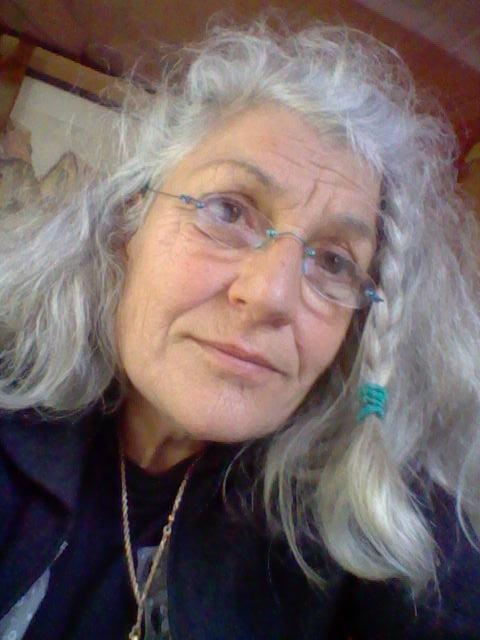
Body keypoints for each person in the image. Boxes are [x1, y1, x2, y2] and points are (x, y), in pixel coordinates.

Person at [1, 17, 480, 640]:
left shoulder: (374, 537)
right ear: (128, 223)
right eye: (228, 211)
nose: (271, 296)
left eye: (334, 262)